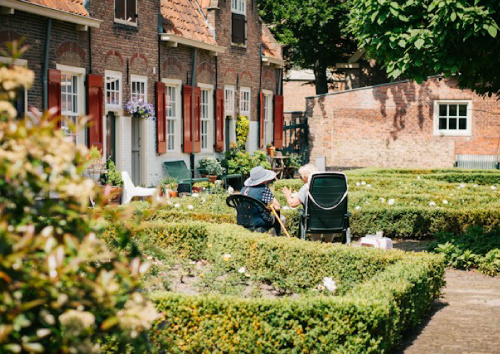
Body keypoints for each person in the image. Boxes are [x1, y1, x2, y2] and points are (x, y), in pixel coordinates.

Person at [282, 164, 334, 242]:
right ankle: (328, 242)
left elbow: (292, 204)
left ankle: (317, 242)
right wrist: (299, 195)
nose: (300, 179)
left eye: (301, 177)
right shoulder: (329, 186)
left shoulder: (307, 187)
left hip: (315, 221)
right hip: (332, 221)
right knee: (327, 215)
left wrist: (288, 195)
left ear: (306, 177)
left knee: (312, 217)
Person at [241, 166, 282, 235]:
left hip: (243, 220)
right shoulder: (264, 189)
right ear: (264, 179)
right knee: (281, 218)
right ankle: (276, 237)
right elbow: (277, 206)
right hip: (259, 221)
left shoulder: (243, 189)